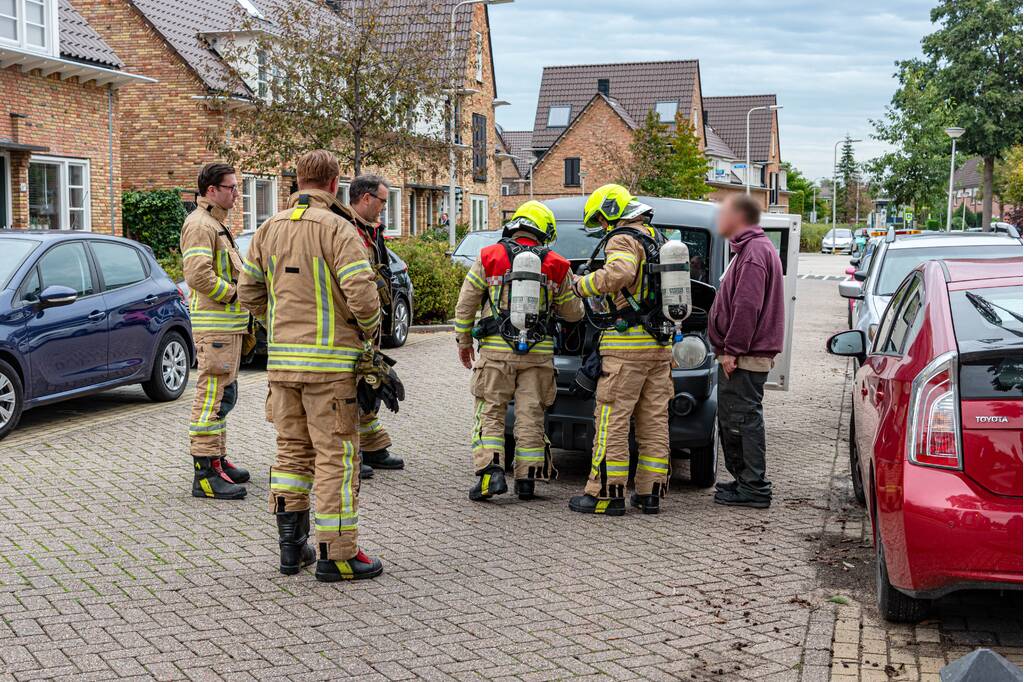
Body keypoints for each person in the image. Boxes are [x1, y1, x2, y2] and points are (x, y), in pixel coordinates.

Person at [237, 150, 384, 581]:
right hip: (331, 370)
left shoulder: (267, 229)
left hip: (282, 368)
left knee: (290, 456)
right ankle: (337, 554)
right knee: (336, 458)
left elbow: (249, 292)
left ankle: (290, 549)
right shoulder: (340, 229)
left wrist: (276, 324)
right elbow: (362, 293)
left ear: (297, 179)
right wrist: (367, 331)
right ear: (335, 184)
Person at [454, 201, 583, 501]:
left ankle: (491, 475)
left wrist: (463, 342)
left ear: (515, 225)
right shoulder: (557, 263)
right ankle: (527, 480)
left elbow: (466, 303)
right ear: (544, 231)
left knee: (490, 411)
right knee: (530, 416)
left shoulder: (489, 255)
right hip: (538, 355)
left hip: (496, 353)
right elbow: (573, 315)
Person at [568, 184, 674, 516]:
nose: (602, 227)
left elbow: (621, 272)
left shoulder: (623, 238)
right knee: (654, 421)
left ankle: (605, 494)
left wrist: (582, 285)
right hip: (659, 346)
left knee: (612, 420)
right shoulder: (656, 238)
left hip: (626, 349)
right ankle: (649, 494)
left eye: (601, 220)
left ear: (611, 213)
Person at [708, 194, 785, 509]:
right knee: (737, 417)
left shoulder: (753, 253)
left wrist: (732, 350)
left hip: (744, 356)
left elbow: (747, 306)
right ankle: (744, 481)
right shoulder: (751, 250)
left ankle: (753, 486)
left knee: (743, 418)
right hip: (743, 353)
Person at [180, 162, 251, 500]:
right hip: (215, 329)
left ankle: (218, 460)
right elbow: (197, 275)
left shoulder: (216, 224)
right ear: (211, 191)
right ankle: (205, 475)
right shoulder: (200, 225)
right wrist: (234, 294)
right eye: (231, 187)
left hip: (228, 329)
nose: (236, 193)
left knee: (224, 397)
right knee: (211, 399)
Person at [338, 175, 405, 475]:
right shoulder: (343, 228)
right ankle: (356, 452)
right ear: (365, 198)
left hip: (370, 325)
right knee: (353, 386)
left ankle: (373, 445)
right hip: (352, 323)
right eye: (381, 201)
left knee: (370, 381)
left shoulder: (370, 230)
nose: (383, 208)